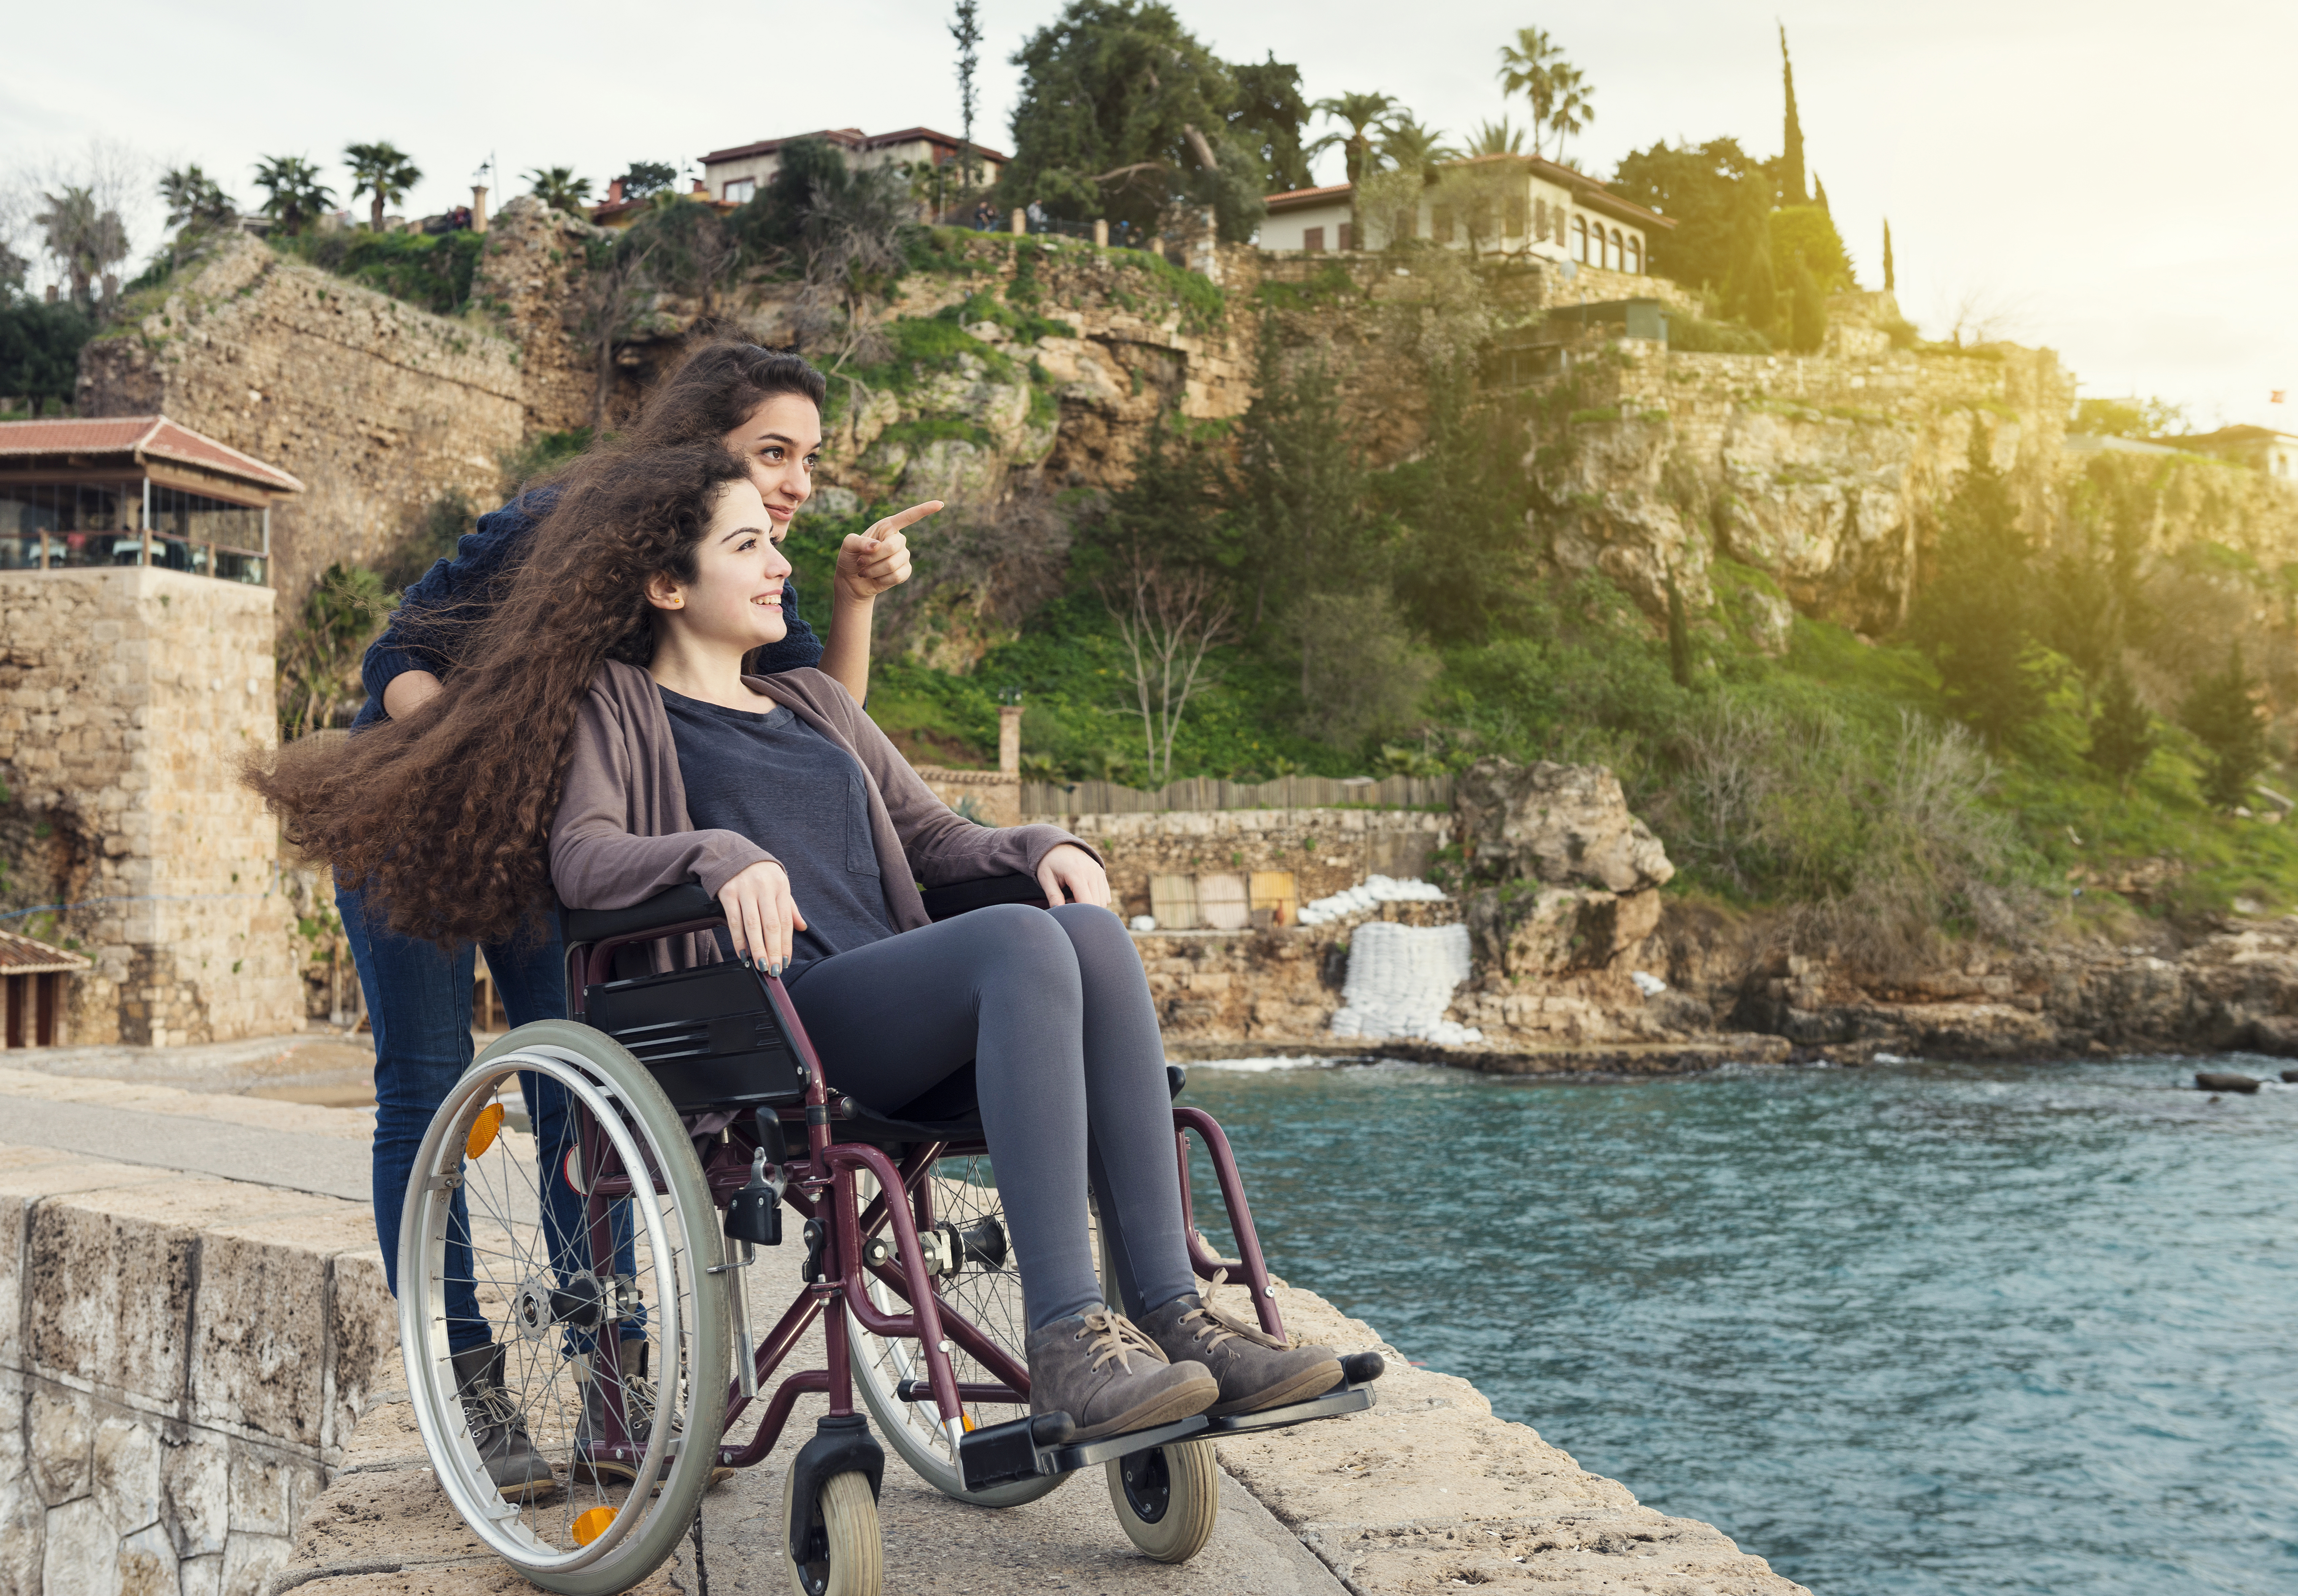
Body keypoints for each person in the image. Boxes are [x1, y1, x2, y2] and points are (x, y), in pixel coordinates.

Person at [257, 440, 1345, 1451]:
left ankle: (1171, 1314)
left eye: (774, 544)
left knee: (1085, 933)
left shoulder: (815, 702)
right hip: (782, 1021)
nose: (781, 563)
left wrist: (1047, 843)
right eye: (749, 546)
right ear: (666, 586)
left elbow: (936, 835)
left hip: (902, 1003)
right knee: (1019, 943)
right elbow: (582, 859)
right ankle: (1065, 1337)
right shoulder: (617, 708)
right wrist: (712, 854)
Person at [332, 343, 938, 1496]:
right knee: (422, 1083)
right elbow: (399, 653)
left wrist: (855, 597)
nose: (798, 482)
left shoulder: (746, 563)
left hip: (559, 839)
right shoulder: (557, 518)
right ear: (699, 440)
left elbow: (815, 734)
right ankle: (471, 1387)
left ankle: (616, 1383)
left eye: (809, 460)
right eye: (773, 452)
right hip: (417, 812)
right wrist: (462, 760)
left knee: (585, 1092)